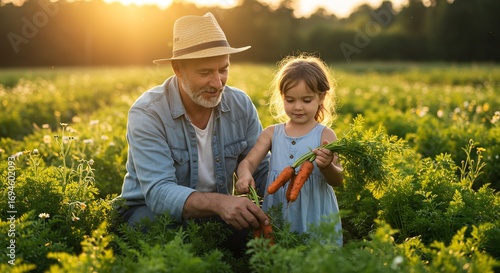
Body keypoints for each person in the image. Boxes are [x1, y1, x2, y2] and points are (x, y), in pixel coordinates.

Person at [116, 12, 270, 255]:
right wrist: (221, 203)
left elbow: (261, 170)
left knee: (258, 243)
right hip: (150, 211)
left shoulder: (240, 105)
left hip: (216, 214)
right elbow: (158, 193)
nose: (218, 83)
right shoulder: (148, 113)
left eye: (223, 69)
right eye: (205, 72)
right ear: (178, 69)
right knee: (155, 235)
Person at [236, 54, 343, 245]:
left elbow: (337, 180)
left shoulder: (325, 136)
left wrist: (327, 166)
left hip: (314, 213)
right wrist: (244, 175)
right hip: (278, 212)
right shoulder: (272, 133)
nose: (298, 107)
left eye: (306, 100)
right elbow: (249, 162)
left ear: (321, 97)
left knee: (315, 257)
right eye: (290, 100)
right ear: (282, 97)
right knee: (279, 251)